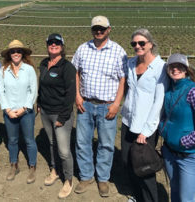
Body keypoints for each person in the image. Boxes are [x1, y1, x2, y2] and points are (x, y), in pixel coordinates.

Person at [72, 16, 127, 197]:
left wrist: (116, 103)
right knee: (82, 142)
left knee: (106, 144)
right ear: (91, 29)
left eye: (102, 28)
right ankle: (86, 176)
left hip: (107, 106)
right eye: (95, 28)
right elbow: (76, 73)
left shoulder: (118, 51)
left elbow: (122, 79)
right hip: (85, 104)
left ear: (109, 29)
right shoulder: (82, 49)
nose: (98, 31)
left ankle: (102, 179)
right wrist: (77, 95)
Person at [121, 28, 168, 202]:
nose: (138, 46)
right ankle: (137, 196)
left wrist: (146, 131)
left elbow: (159, 101)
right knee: (127, 161)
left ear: (150, 44)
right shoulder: (131, 63)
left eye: (142, 43)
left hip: (145, 127)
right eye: (134, 43)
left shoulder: (160, 67)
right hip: (128, 120)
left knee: (144, 166)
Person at [159, 54, 195, 202]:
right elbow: (165, 117)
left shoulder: (194, 92)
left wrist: (186, 141)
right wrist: (163, 130)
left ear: (186, 69)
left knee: (186, 198)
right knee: (175, 192)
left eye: (179, 66)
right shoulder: (169, 91)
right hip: (170, 152)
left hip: (189, 156)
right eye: (172, 66)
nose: (175, 69)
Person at [37, 33, 76, 198]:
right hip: (45, 112)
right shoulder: (44, 63)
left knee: (64, 150)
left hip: (60, 114)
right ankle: (55, 170)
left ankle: (69, 180)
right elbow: (42, 86)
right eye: (51, 43)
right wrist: (39, 103)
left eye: (57, 43)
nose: (53, 45)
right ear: (47, 45)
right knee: (52, 143)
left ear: (62, 46)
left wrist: (62, 117)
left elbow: (70, 95)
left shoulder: (67, 67)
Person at [0, 40, 37, 184]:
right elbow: (0, 91)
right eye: (13, 51)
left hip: (26, 112)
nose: (16, 54)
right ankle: (14, 165)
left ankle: (32, 166)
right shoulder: (3, 70)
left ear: (23, 53)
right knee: (12, 140)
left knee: (29, 140)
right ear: (9, 54)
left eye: (18, 51)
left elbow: (33, 90)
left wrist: (24, 108)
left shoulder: (29, 70)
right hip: (10, 112)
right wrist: (7, 109)